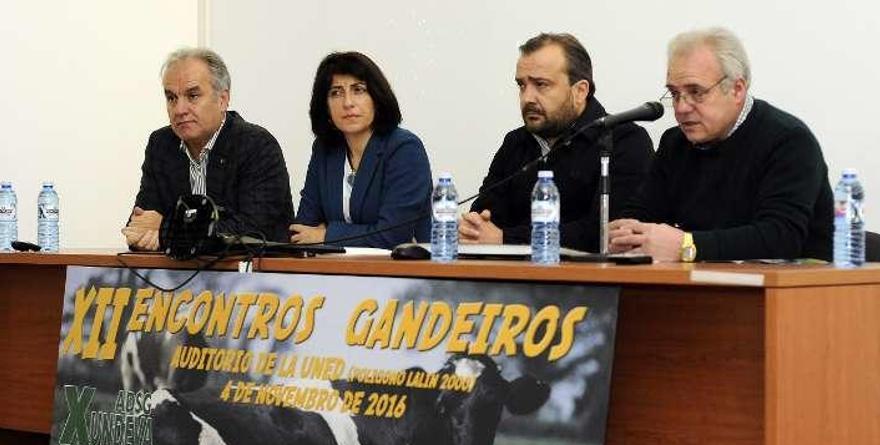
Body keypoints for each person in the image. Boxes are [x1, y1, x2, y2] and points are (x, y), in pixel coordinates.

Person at [609, 27, 833, 262]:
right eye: (675, 94)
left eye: (696, 92)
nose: (681, 107)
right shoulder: (675, 143)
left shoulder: (789, 141)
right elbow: (642, 214)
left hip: (796, 290)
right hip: (704, 286)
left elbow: (780, 238)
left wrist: (687, 245)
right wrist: (626, 233)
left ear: (737, 89)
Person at [459, 33, 654, 251]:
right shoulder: (516, 142)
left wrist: (506, 238)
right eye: (522, 85)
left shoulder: (623, 141)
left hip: (588, 282)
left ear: (580, 91)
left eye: (541, 85)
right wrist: (473, 229)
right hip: (511, 279)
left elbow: (606, 233)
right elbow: (485, 218)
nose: (527, 98)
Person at [123, 48, 294, 250]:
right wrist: (148, 234)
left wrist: (167, 230)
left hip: (254, 276)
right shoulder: (161, 144)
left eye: (193, 96)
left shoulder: (256, 145)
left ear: (222, 100)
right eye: (171, 98)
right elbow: (140, 223)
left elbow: (252, 231)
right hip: (181, 278)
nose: (179, 110)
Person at [290, 51, 432, 249]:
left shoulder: (404, 149)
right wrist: (318, 234)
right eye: (336, 93)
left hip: (402, 273)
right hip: (336, 273)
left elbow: (392, 236)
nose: (348, 103)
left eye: (358, 90)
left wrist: (327, 234)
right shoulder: (326, 150)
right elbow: (303, 229)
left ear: (377, 97)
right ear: (326, 107)